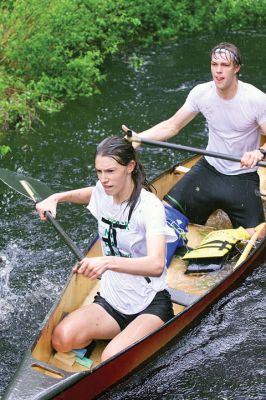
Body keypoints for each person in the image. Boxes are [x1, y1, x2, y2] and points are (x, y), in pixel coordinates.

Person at [36, 136, 176, 361]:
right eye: (99, 172)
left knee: (110, 358)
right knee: (61, 339)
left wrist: (106, 262)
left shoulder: (150, 207)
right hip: (112, 301)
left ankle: (127, 338)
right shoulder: (103, 192)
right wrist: (56, 198)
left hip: (149, 304)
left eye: (110, 171)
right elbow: (88, 193)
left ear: (130, 167)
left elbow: (157, 264)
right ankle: (119, 335)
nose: (104, 179)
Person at [123, 42, 266, 237]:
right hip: (209, 169)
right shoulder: (201, 93)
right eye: (214, 64)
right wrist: (140, 137)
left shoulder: (256, 100)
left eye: (224, 65)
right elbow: (172, 125)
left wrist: (259, 152)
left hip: (242, 176)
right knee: (163, 215)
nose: (218, 71)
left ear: (237, 68)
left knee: (257, 238)